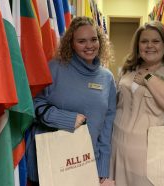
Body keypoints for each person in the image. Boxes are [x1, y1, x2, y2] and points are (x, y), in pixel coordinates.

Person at [26, 16, 116, 185]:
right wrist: (66, 119)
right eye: (81, 41)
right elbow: (32, 105)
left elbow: (106, 127)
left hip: (86, 163)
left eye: (93, 39)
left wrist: (102, 168)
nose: (89, 46)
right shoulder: (55, 68)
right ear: (71, 44)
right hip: (52, 161)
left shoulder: (107, 78)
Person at [109, 21, 164, 186]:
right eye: (144, 41)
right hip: (118, 154)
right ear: (138, 46)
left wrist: (149, 78)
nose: (149, 46)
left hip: (154, 160)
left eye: (156, 41)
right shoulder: (127, 70)